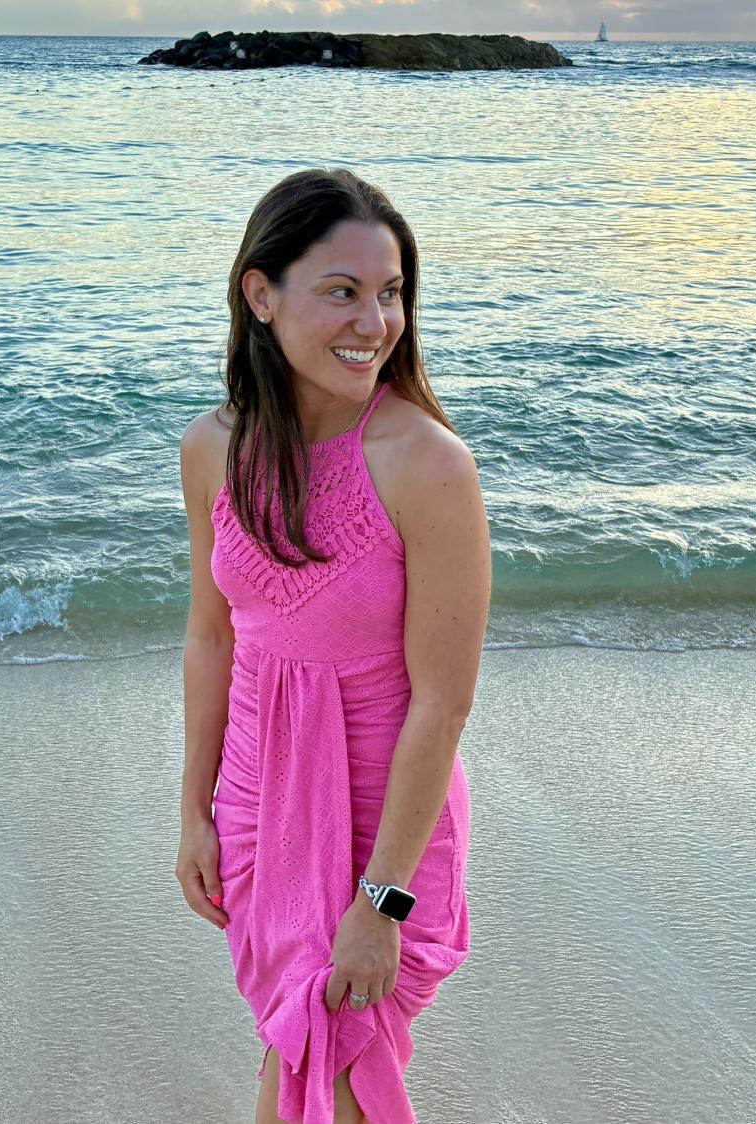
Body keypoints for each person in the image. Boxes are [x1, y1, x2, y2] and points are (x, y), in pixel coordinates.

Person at [177, 167, 491, 1124]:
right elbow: (210, 637)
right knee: (299, 1064)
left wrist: (380, 902)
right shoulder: (211, 448)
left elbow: (443, 703)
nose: (374, 322)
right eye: (343, 292)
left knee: (332, 1066)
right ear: (261, 294)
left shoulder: (427, 464)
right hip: (257, 808)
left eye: (391, 293)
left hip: (383, 823)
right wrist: (193, 812)